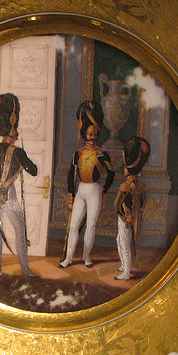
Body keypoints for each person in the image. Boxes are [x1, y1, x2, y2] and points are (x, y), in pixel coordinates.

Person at [0, 93, 39, 277]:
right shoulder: (18, 151)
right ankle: (25, 269)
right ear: (13, 130)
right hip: (9, 195)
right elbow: (33, 171)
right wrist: (23, 163)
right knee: (20, 230)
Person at [59, 100, 115, 268]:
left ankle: (87, 257)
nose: (92, 138)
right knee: (74, 225)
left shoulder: (102, 154)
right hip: (81, 188)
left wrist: (104, 189)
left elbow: (111, 173)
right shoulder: (78, 153)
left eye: (94, 135)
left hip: (95, 189)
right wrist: (71, 195)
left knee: (90, 225)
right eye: (89, 135)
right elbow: (72, 174)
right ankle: (68, 258)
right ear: (84, 134)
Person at [114, 136, 150, 280]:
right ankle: (124, 265)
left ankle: (126, 272)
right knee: (121, 240)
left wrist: (125, 214)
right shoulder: (140, 185)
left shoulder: (126, 186)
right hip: (133, 217)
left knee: (124, 243)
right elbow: (143, 201)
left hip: (125, 218)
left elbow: (117, 204)